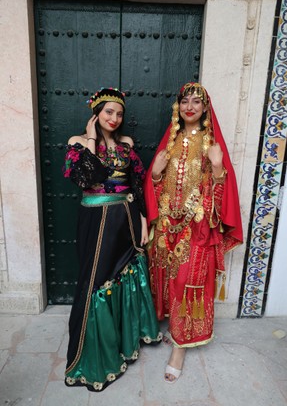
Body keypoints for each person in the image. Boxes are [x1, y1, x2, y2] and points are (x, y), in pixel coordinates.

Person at [63, 87, 162, 392]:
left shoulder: (127, 144)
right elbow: (87, 178)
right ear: (96, 113)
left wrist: (144, 218)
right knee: (97, 282)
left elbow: (136, 181)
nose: (115, 118)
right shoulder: (77, 143)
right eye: (108, 112)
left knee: (126, 274)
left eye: (119, 113)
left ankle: (125, 339)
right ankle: (95, 356)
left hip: (128, 218)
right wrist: (92, 137)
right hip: (98, 220)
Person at [144, 82, 243, 383]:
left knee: (188, 281)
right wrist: (157, 172)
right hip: (166, 227)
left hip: (197, 227)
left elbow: (223, 193)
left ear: (204, 108)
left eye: (196, 102)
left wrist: (216, 168)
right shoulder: (170, 142)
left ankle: (180, 347)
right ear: (177, 107)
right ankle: (174, 328)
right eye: (184, 101)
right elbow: (155, 185)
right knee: (168, 277)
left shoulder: (211, 144)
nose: (190, 106)